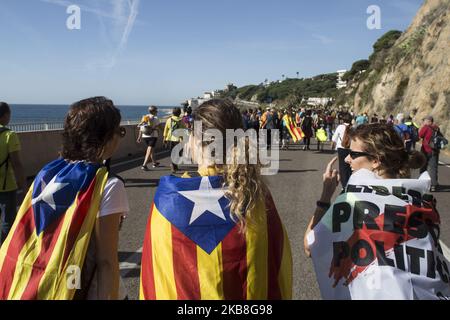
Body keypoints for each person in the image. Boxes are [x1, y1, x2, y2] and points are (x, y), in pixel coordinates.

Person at [140, 99, 292, 300]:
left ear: (196, 140)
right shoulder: (257, 195)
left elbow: (158, 272)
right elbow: (278, 264)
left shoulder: (168, 199)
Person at [0, 97, 129, 300]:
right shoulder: (108, 184)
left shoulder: (49, 172)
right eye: (118, 131)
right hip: (84, 288)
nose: (119, 137)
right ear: (105, 137)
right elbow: (106, 262)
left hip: (41, 284)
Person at [303, 123, 450, 300]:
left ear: (376, 160)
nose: (347, 159)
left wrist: (326, 195)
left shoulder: (353, 200)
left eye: (354, 154)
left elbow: (310, 245)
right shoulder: (419, 199)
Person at [0, 102, 26, 245]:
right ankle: (4, 252)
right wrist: (24, 187)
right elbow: (17, 164)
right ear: (5, 116)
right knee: (7, 221)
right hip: (7, 186)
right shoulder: (9, 135)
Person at [419, 116, 443, 192]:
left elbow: (420, 135)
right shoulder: (436, 128)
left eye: (424, 120)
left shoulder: (426, 127)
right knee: (433, 168)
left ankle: (422, 183)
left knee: (423, 166)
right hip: (435, 151)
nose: (424, 122)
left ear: (429, 121)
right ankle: (433, 185)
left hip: (425, 150)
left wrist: (423, 127)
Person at [331, 113, 352, 188]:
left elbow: (334, 138)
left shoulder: (340, 127)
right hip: (350, 149)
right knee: (350, 167)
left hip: (341, 148)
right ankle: (350, 183)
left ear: (343, 119)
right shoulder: (353, 127)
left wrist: (333, 145)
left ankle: (344, 185)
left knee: (342, 167)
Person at [137, 106, 161, 171]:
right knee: (149, 149)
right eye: (156, 110)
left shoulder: (145, 117)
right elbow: (158, 127)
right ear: (153, 111)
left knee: (151, 149)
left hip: (144, 136)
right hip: (152, 136)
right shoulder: (156, 118)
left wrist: (139, 137)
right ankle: (144, 165)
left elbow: (141, 128)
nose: (157, 111)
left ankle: (154, 163)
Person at [163, 107, 183, 173]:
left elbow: (166, 129)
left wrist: (164, 138)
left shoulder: (169, 120)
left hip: (170, 138)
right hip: (178, 139)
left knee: (172, 152)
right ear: (180, 113)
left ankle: (174, 165)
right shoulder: (181, 120)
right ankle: (173, 165)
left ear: (172, 113)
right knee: (178, 153)